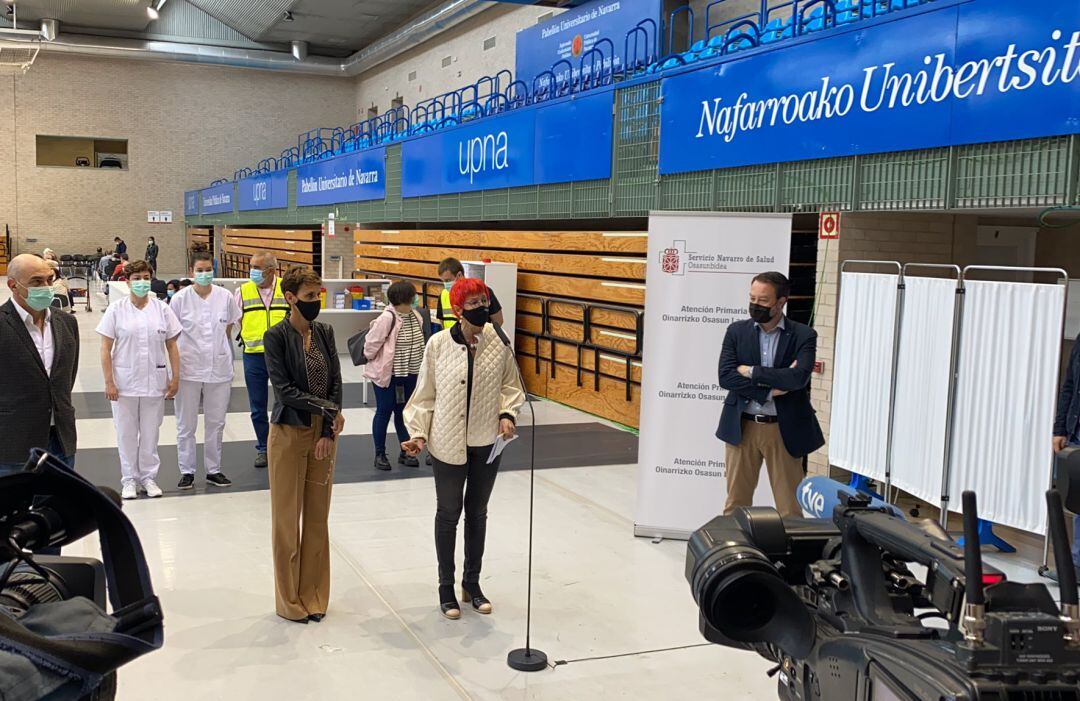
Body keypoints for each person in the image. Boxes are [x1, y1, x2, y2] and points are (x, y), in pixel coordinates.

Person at [402, 278, 525, 620]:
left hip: (487, 442)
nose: (481, 308)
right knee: (448, 514)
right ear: (457, 310)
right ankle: (445, 587)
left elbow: (510, 386)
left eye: (483, 300)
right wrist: (418, 434)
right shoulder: (438, 344)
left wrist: (506, 414)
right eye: (472, 303)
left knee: (478, 512)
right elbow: (424, 396)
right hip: (447, 442)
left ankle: (472, 584)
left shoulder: (498, 343)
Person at [264, 266, 344, 623]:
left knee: (316, 517)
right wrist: (327, 409)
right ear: (291, 297)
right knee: (286, 520)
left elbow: (335, 383)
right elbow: (285, 392)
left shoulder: (325, 333)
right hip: (287, 431)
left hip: (322, 433)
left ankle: (314, 594)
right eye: (310, 296)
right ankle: (288, 600)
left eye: (319, 295)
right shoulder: (276, 336)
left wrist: (328, 428)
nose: (316, 302)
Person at [716, 271, 824, 519]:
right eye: (752, 298)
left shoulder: (804, 335)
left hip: (784, 429)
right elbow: (726, 377)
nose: (755, 305)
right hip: (742, 426)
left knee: (790, 508)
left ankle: (791, 557)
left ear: (781, 302)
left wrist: (751, 371)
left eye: (763, 300)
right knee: (736, 503)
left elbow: (798, 378)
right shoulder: (736, 331)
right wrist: (770, 390)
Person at [97, 259, 182, 500]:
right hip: (124, 382)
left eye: (146, 278)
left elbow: (172, 345)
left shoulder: (162, 309)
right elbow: (105, 348)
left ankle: (148, 477)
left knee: (150, 432)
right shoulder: (117, 309)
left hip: (155, 380)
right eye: (137, 279)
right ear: (127, 281)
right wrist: (109, 381)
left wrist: (175, 378)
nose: (142, 283)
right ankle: (129, 479)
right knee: (126, 432)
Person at [0, 254, 79, 475]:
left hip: (61, 439)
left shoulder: (67, 322)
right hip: (14, 443)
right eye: (36, 281)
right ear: (13, 285)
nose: (46, 286)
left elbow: (66, 378)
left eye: (49, 279)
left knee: (58, 506)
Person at [170, 252, 241, 491]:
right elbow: (172, 335)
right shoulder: (180, 299)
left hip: (219, 368)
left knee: (216, 422)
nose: (204, 274)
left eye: (208, 269)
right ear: (191, 272)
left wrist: (220, 350)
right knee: (185, 423)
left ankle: (214, 469)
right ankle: (187, 471)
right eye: (199, 270)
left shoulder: (225, 296)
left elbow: (229, 326)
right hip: (188, 368)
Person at [363, 281, 431, 471]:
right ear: (405, 298)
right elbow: (370, 346)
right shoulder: (387, 318)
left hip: (410, 374)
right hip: (388, 375)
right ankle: (380, 454)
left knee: (404, 413)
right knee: (384, 412)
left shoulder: (415, 315)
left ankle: (406, 451)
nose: (416, 298)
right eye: (413, 295)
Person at [235, 252, 289, 469]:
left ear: (271, 269)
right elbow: (236, 318)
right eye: (251, 266)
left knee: (284, 403)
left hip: (282, 357)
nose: (253, 271)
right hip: (253, 356)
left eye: (257, 267)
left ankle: (284, 446)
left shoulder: (286, 289)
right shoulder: (243, 291)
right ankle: (263, 448)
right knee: (257, 407)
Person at [1054, 332, 1080, 577]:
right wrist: (1059, 428)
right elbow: (1070, 385)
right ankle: (1077, 564)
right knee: (1077, 500)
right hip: (1076, 431)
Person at [436, 258, 504, 331]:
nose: (445, 284)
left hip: (480, 339)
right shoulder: (443, 295)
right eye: (443, 281)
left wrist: (486, 336)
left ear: (459, 275)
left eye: (448, 280)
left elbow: (498, 321)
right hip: (452, 339)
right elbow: (442, 322)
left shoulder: (482, 291)